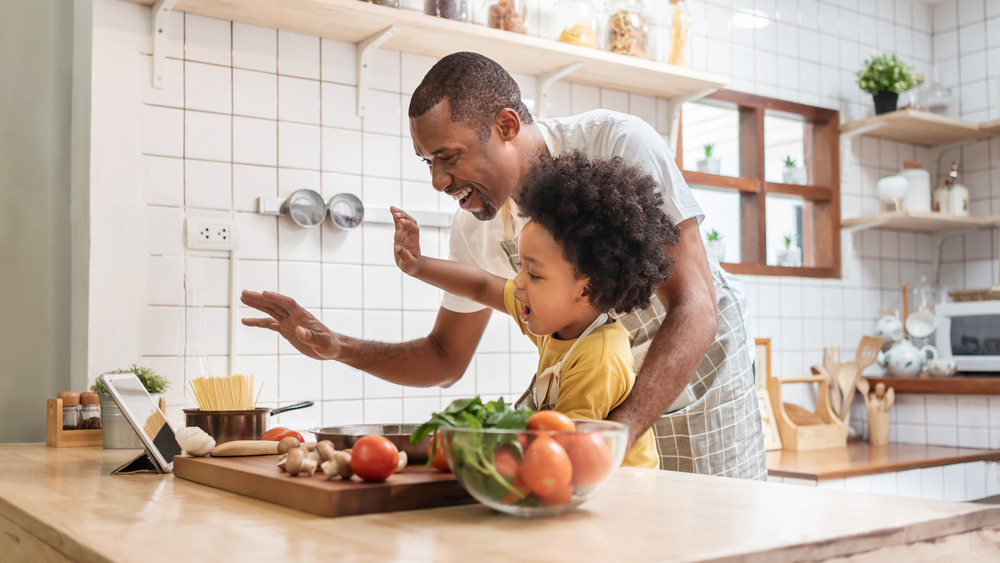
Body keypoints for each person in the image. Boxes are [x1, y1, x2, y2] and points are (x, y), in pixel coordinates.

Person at [242, 51, 766, 479]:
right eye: (428, 162)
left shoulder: (616, 144)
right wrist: (337, 347)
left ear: (507, 124)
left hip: (698, 384)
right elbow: (445, 355)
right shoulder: (475, 224)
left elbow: (695, 305)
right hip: (596, 417)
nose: (438, 182)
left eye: (448, 156)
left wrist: (621, 432)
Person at [393, 151, 678, 468]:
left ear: (585, 291)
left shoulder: (599, 358)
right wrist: (419, 266)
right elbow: (481, 286)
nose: (517, 281)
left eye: (534, 273)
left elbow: (565, 453)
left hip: (622, 495)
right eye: (522, 267)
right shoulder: (559, 319)